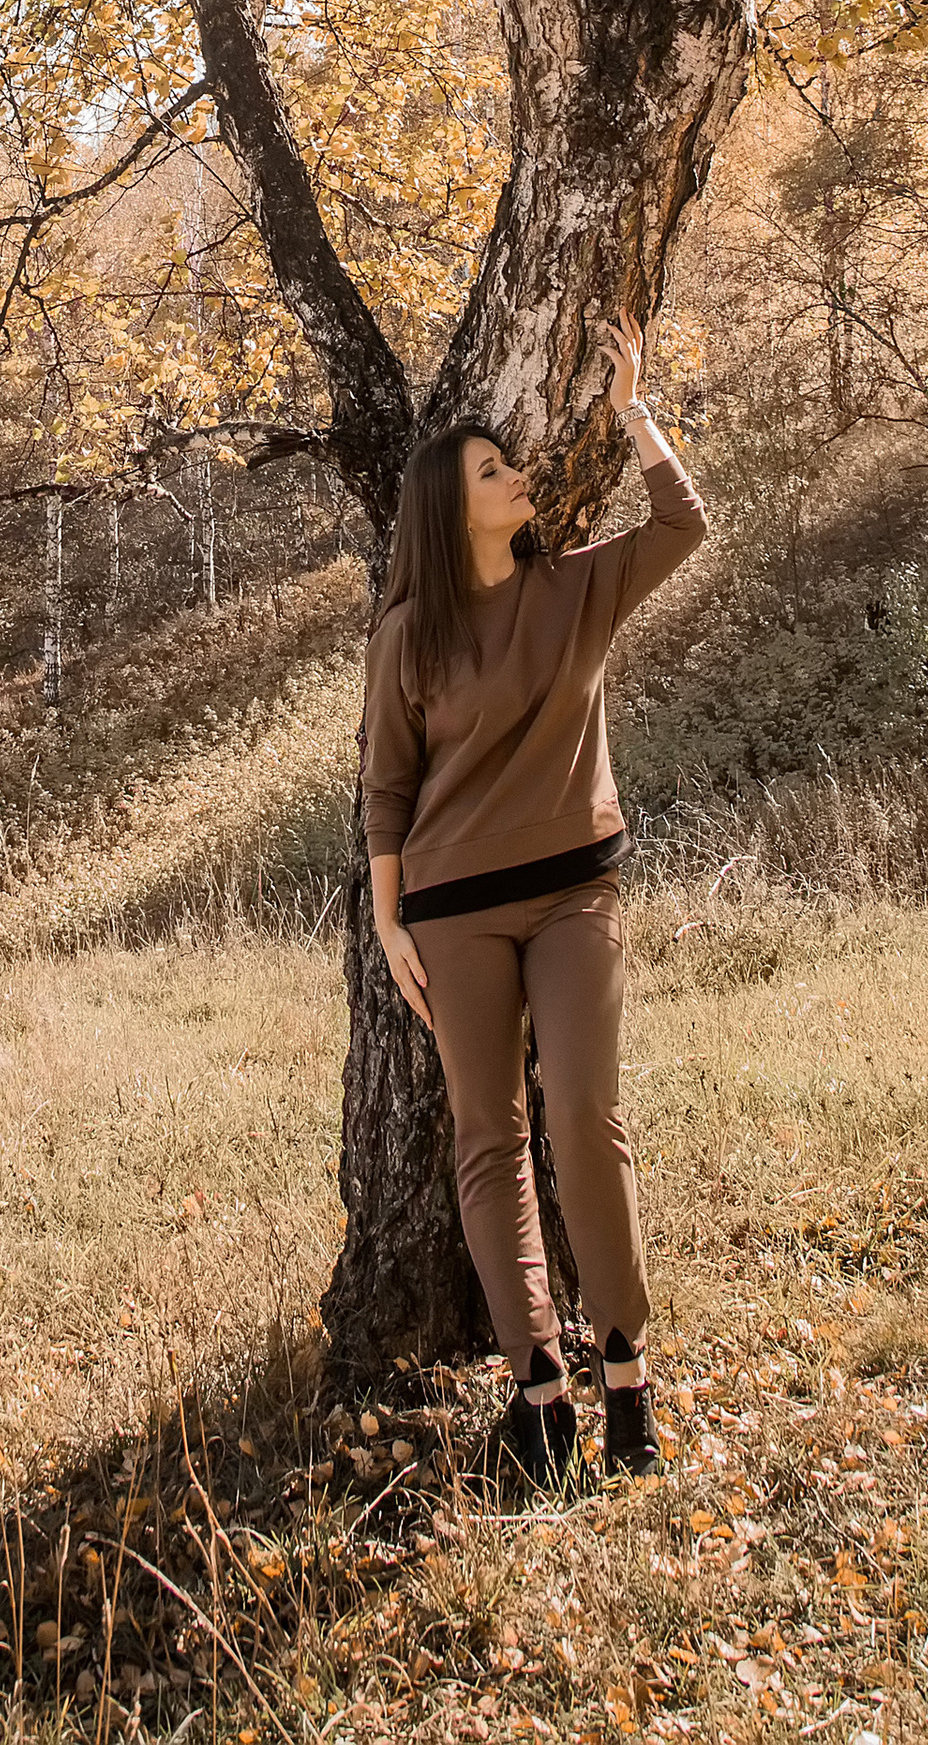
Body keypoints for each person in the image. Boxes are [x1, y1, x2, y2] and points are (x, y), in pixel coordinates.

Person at [359, 313, 708, 1486]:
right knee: (486, 1139)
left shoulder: (575, 590)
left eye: (508, 465)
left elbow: (683, 524)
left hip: (573, 899)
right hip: (452, 913)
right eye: (491, 471)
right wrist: (387, 917)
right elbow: (385, 788)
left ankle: (624, 1373)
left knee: (582, 1125)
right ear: (448, 509)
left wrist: (633, 414)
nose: (516, 477)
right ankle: (538, 1387)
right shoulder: (407, 634)